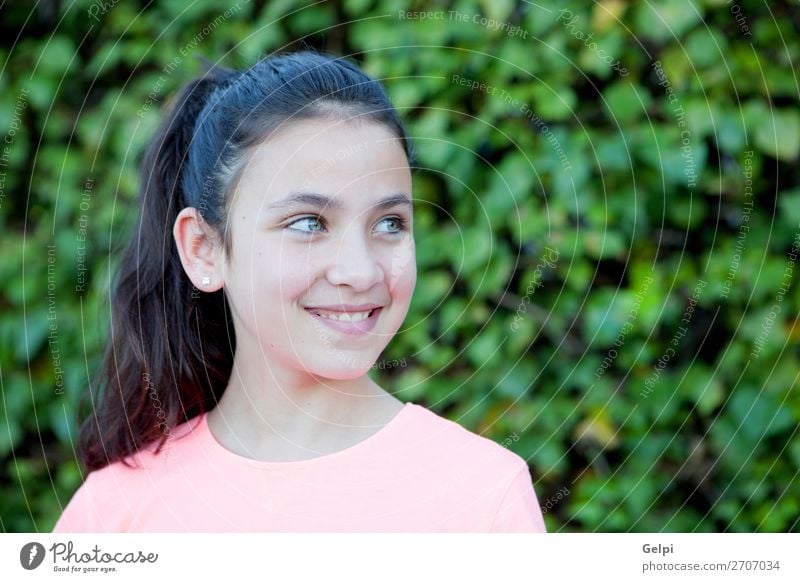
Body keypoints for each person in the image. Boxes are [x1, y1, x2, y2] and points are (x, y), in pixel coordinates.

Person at [53, 50, 547, 532]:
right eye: (309, 223)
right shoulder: (113, 514)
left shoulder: (482, 498)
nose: (360, 272)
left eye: (390, 223)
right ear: (204, 249)